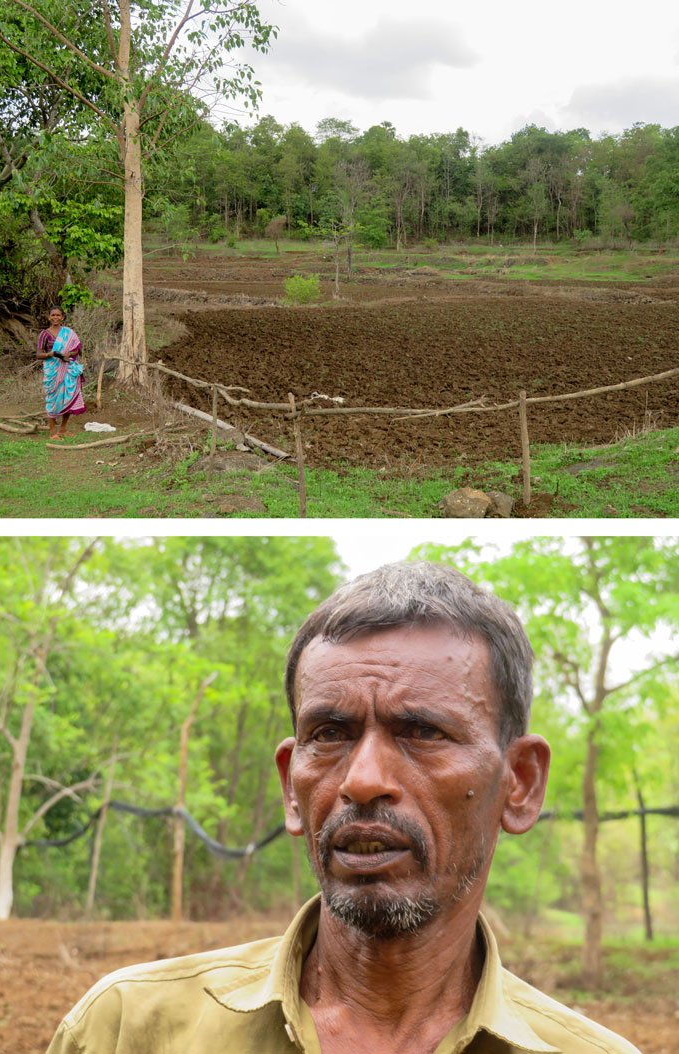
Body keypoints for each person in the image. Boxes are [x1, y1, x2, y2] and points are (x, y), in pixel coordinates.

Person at [47, 562, 639, 1054]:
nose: (363, 780)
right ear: (290, 785)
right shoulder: (126, 1030)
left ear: (520, 783)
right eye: (330, 733)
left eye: (422, 732)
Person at [36, 306, 85, 440]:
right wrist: (51, 354)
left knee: (67, 397)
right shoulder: (44, 334)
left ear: (62, 317)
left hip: (67, 369)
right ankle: (52, 432)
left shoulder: (68, 332)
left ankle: (63, 429)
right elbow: (38, 354)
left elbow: (77, 349)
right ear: (49, 317)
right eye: (53, 315)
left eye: (58, 315)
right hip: (52, 370)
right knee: (52, 399)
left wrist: (69, 353)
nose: (55, 317)